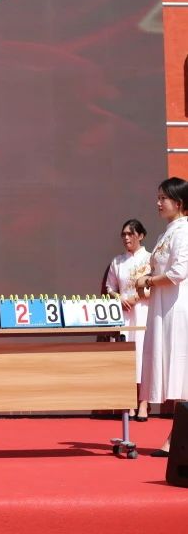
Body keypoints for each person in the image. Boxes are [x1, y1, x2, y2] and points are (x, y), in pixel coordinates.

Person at [136, 177, 188, 457]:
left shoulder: (184, 231)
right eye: (158, 197)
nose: (158, 203)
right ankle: (176, 439)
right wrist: (147, 280)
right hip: (163, 310)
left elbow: (179, 272)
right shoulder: (166, 234)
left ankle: (175, 440)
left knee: (182, 374)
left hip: (178, 312)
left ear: (178, 203)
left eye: (163, 198)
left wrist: (149, 280)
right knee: (178, 377)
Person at [104, 218, 150, 421]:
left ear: (141, 235)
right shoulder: (117, 261)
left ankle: (144, 403)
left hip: (144, 312)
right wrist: (120, 298)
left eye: (130, 234)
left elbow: (155, 287)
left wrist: (135, 298)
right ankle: (129, 403)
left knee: (144, 357)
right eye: (123, 234)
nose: (126, 238)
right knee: (127, 357)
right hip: (124, 314)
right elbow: (110, 288)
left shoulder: (150, 259)